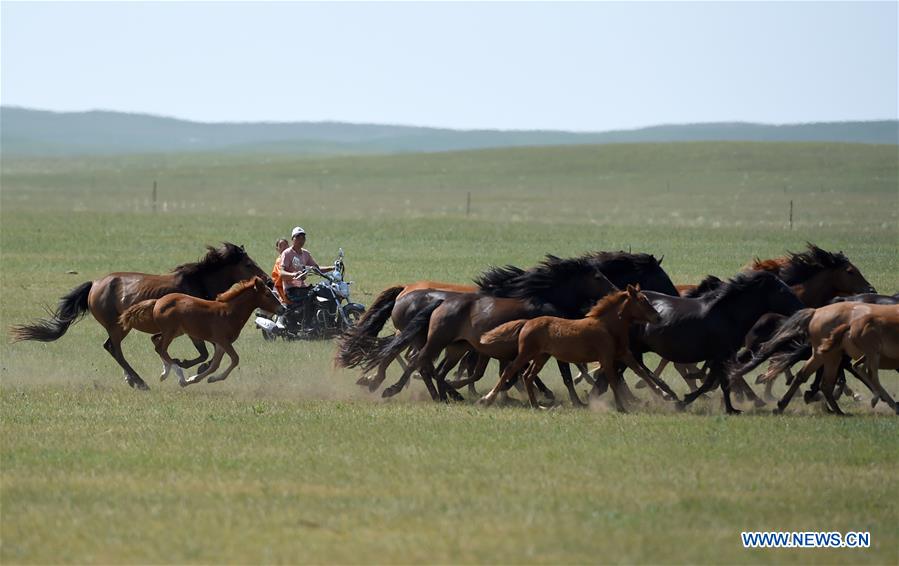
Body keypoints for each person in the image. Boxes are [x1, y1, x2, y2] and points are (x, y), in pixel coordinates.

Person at [278, 227, 334, 328]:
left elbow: (317, 269)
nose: (301, 240)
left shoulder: (305, 253)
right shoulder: (287, 253)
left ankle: (326, 322)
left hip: (302, 287)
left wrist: (332, 268)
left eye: (303, 238)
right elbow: (281, 273)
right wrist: (294, 275)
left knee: (324, 290)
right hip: (291, 289)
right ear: (292, 239)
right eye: (298, 237)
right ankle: (306, 324)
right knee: (311, 295)